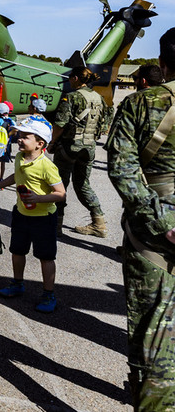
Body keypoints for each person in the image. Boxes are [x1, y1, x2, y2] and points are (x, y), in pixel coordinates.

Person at [105, 26, 175, 409]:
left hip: (154, 236)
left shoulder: (141, 103)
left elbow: (123, 168)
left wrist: (162, 223)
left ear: (163, 64)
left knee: (156, 341)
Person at [0, 117, 65, 313]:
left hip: (44, 219)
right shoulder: (20, 157)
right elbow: (17, 176)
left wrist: (38, 198)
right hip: (21, 214)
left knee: (45, 257)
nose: (19, 139)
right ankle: (17, 284)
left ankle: (48, 294)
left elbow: (61, 194)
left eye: (25, 137)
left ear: (40, 144)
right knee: (17, 251)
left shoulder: (47, 166)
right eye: (19, 136)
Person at [49, 67, 112, 237]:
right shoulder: (99, 98)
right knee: (83, 184)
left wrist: (52, 142)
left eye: (70, 78)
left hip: (70, 146)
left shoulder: (71, 97)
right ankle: (99, 223)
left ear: (76, 78)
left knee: (59, 184)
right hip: (89, 148)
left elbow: (60, 124)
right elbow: (106, 124)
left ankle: (56, 225)